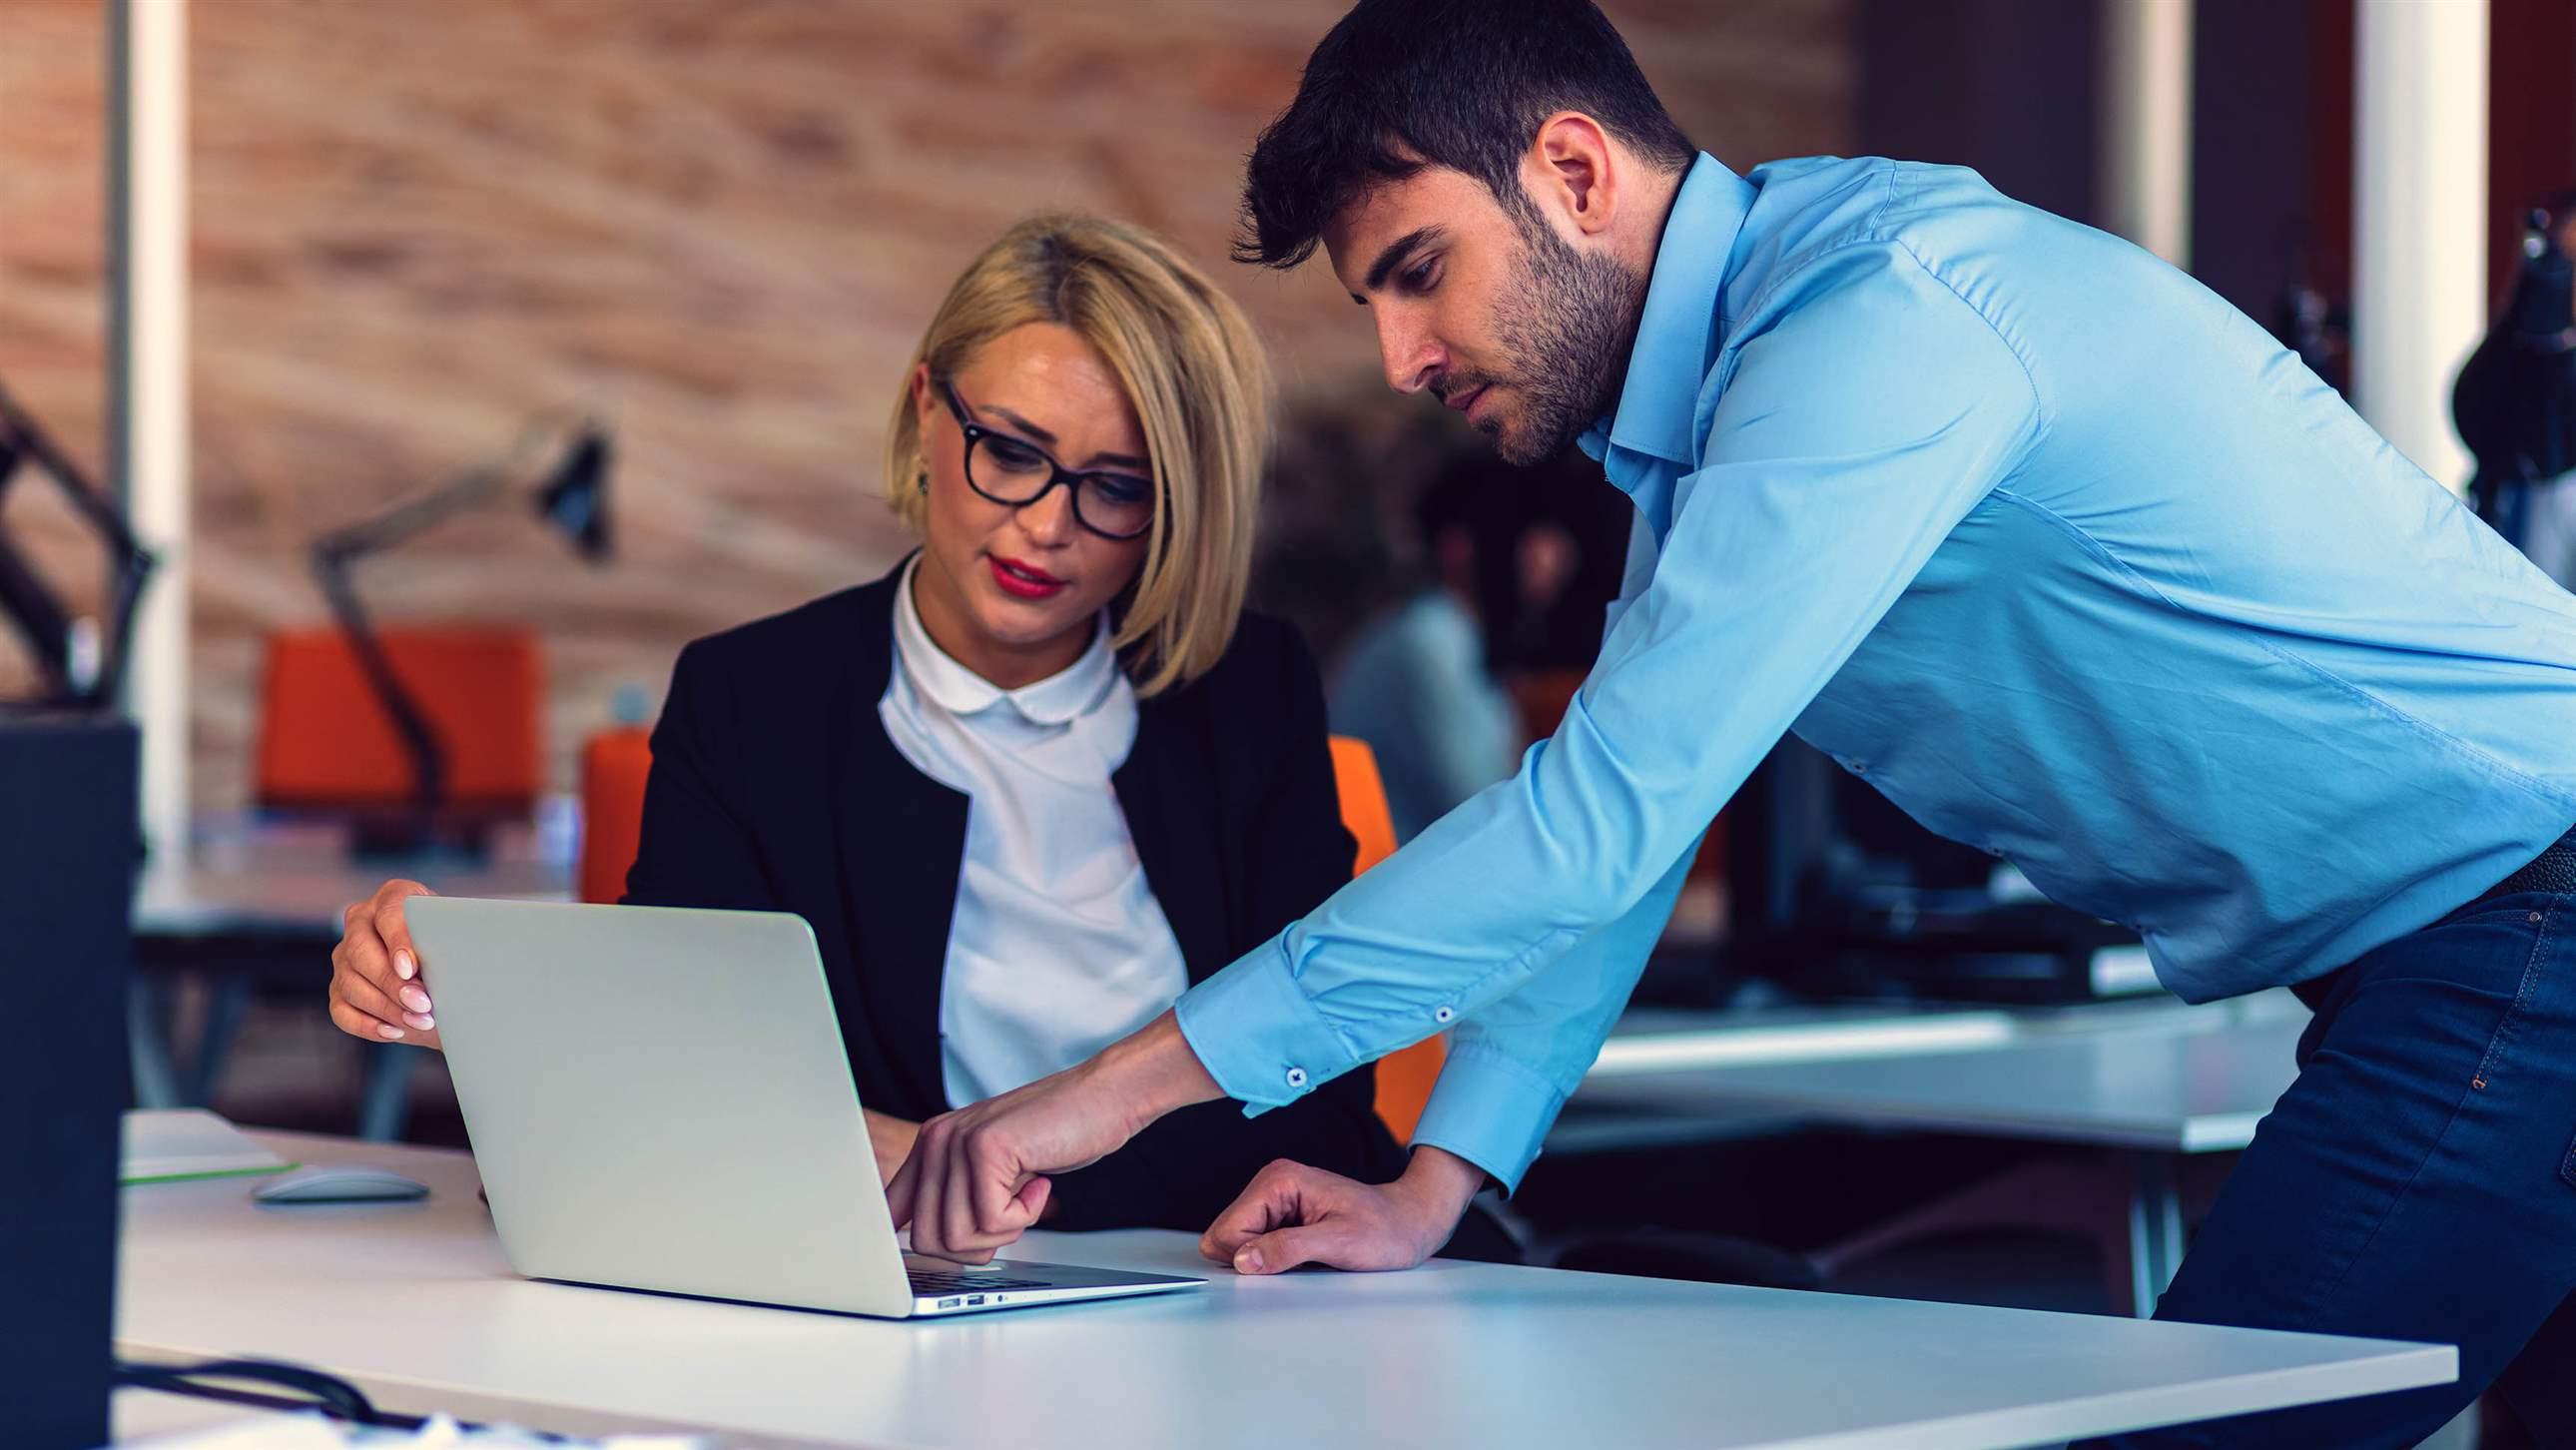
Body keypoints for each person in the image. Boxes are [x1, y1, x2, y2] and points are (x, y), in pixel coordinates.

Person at [887, 4, 2576, 1444]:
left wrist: (1106, 1097)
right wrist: (1439, 1177)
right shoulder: (1723, 410)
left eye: (1420, 275)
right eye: (1372, 308)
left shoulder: (1876, 329)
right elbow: (1626, 824)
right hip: (2461, 934)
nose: (1402, 358)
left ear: (1569, 170)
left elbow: (1593, 824)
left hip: (2529, 909)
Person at [323, 214, 1510, 1250]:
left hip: (1207, 1294)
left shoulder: (1249, 691)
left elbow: (1309, 1103)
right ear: (925, 412)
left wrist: (923, 1159)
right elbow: (685, 1080)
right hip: (877, 1312)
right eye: (1012, 453)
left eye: (1116, 485)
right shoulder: (757, 699)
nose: (1047, 526)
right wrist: (448, 990)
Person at [1327, 467, 1522, 842]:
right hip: (1385, 878)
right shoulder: (1428, 643)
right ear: (1458, 550)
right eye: (1516, 533)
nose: (1546, 557)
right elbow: (1481, 807)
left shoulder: (1451, 633)